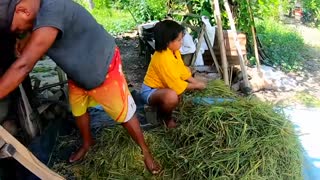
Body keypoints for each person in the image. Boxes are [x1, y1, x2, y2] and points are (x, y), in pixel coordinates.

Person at [0, 0, 160, 174]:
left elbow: (23, 67)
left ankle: (145, 151)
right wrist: (23, 37)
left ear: (23, 11)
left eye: (16, 29)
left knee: (123, 112)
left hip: (102, 67)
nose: (18, 33)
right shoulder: (37, 11)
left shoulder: (52, 11)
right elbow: (30, 48)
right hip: (77, 71)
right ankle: (87, 143)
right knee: (78, 110)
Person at [141, 20, 206, 128]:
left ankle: (168, 111)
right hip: (150, 91)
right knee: (171, 96)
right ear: (167, 42)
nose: (181, 42)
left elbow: (182, 71)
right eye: (179, 40)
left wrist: (196, 81)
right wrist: (196, 86)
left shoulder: (174, 52)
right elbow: (175, 84)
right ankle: (166, 119)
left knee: (185, 80)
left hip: (163, 87)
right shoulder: (162, 58)